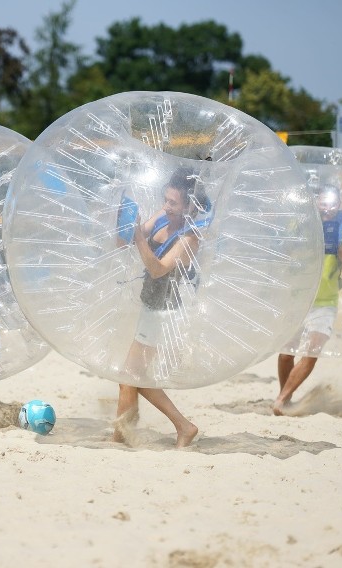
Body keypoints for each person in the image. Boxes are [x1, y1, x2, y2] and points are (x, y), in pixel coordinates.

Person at [115, 167, 207, 448]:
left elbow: (158, 269)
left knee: (131, 376)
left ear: (191, 206)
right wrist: (125, 219)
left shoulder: (191, 236)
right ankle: (122, 435)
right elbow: (127, 239)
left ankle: (183, 426)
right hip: (151, 303)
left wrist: (140, 239)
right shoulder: (163, 215)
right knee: (128, 378)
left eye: (174, 203)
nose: (167, 206)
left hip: (165, 310)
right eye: (165, 200)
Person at [273, 186, 342, 415]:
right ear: (316, 203)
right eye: (323, 204)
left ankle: (281, 400)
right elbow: (282, 250)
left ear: (339, 206)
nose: (327, 209)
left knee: (312, 351)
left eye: (332, 204)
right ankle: (286, 397)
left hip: (326, 303)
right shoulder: (301, 225)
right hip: (299, 299)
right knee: (286, 353)